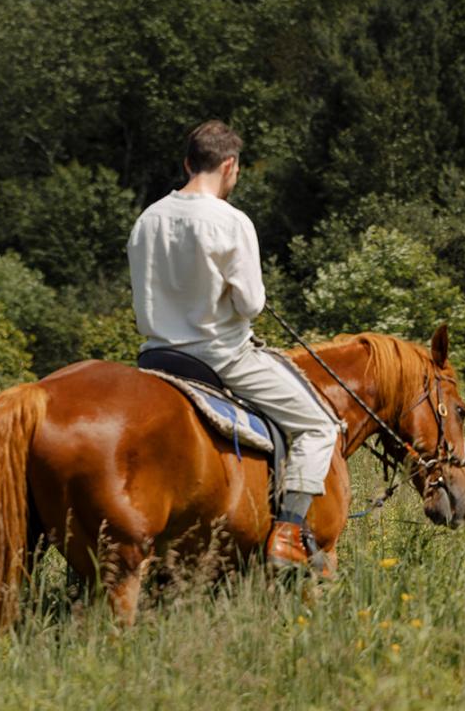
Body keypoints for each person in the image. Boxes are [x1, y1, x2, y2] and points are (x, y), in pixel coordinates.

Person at [126, 121, 339, 571]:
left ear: (187, 163)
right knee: (320, 425)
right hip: (219, 358)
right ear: (229, 165)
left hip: (155, 357)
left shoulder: (147, 220)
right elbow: (251, 304)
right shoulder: (231, 220)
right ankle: (288, 535)